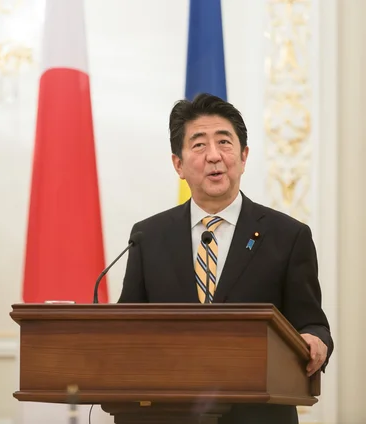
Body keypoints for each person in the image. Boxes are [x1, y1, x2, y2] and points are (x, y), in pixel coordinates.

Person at [117, 93, 333, 424]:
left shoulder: (288, 236)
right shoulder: (148, 236)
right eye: (199, 145)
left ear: (244, 157)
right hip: (165, 413)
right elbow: (126, 325)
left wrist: (316, 340)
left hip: (257, 415)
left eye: (225, 142)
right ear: (179, 164)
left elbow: (312, 322)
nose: (215, 156)